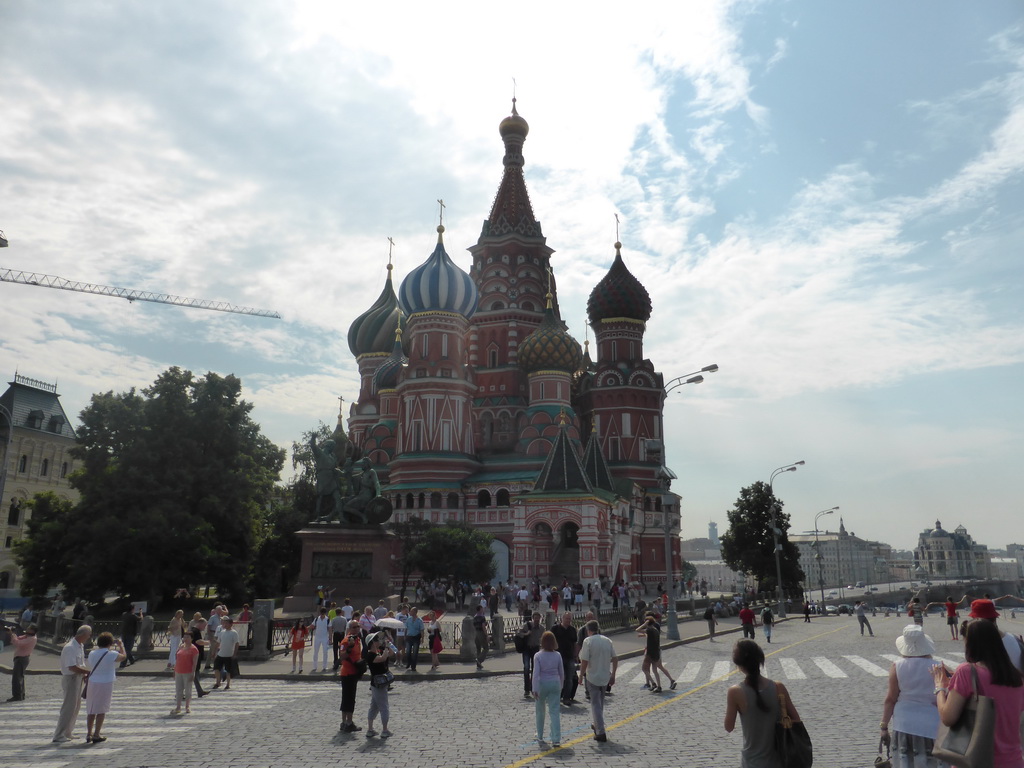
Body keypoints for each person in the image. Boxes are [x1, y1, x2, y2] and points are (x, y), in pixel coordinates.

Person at [933, 618, 1024, 768]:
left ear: (970, 643)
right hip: (1012, 761)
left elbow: (947, 717)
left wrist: (940, 688)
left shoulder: (966, 672)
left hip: (975, 761)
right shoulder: (1017, 678)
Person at [725, 639, 802, 767]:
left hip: (752, 761)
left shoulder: (735, 692)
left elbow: (729, 727)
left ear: (739, 665)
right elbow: (796, 720)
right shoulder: (778, 687)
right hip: (779, 760)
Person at [879, 625, 942, 767]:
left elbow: (891, 699)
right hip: (931, 724)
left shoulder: (897, 666)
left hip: (904, 724)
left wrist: (884, 726)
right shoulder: (938, 666)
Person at [84, 632, 127, 743]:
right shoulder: (111, 654)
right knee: (101, 710)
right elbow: (123, 657)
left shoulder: (92, 653)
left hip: (93, 682)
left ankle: (89, 733)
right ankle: (97, 734)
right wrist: (121, 646)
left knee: (91, 709)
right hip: (105, 683)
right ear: (110, 643)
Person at [579, 620, 617, 742]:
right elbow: (615, 658)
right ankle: (596, 724)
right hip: (605, 676)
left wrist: (581, 675)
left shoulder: (588, 641)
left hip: (593, 676)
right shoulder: (607, 640)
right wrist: (614, 674)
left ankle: (600, 732)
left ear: (588, 630)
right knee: (600, 703)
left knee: (595, 704)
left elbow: (584, 661)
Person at [53, 624, 92, 743]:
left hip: (78, 678)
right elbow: (72, 667)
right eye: (89, 635)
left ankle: (68, 732)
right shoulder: (70, 647)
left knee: (75, 706)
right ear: (84, 635)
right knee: (68, 707)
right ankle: (59, 734)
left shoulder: (80, 645)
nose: (89, 637)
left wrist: (84, 674)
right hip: (71, 679)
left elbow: (80, 663)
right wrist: (88, 672)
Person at [532, 630, 565, 747]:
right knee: (554, 711)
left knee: (540, 711)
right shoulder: (558, 655)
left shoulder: (538, 656)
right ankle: (556, 738)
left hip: (542, 684)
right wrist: (560, 685)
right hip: (555, 683)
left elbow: (536, 674)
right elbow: (561, 672)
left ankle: (540, 735)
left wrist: (534, 689)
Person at [363, 631, 395, 738]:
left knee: (374, 706)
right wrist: (385, 649)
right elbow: (382, 658)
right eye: (376, 640)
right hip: (378, 684)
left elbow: (391, 654)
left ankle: (370, 729)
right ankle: (385, 730)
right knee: (384, 706)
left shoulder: (378, 651)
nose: (378, 641)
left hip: (380, 683)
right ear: (372, 643)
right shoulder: (370, 655)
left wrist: (388, 645)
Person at [637, 613, 676, 692]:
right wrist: (644, 635)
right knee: (656, 669)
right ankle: (660, 685)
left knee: (645, 668)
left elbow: (637, 630)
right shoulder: (655, 629)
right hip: (657, 651)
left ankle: (652, 683)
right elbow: (652, 637)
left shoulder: (650, 629)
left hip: (650, 651)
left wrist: (644, 624)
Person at [338, 620, 364, 732]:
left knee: (350, 699)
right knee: (347, 699)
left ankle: (347, 722)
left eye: (358, 626)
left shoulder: (357, 639)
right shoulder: (346, 640)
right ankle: (346, 722)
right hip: (347, 673)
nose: (357, 629)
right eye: (354, 627)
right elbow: (342, 656)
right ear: (349, 629)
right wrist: (349, 648)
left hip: (354, 673)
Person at [551, 612, 578, 705]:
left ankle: (566, 698)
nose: (568, 621)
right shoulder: (555, 629)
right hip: (557, 657)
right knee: (558, 678)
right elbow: (550, 641)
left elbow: (575, 644)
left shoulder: (573, 630)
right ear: (562, 619)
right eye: (567, 619)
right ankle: (556, 696)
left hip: (569, 657)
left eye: (570, 619)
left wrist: (576, 655)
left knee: (569, 678)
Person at [171, 631, 200, 715]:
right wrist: (174, 670)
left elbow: (195, 663)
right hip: (179, 671)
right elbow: (177, 659)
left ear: (191, 639)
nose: (186, 639)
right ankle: (178, 707)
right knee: (178, 690)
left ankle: (187, 706)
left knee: (188, 690)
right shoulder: (180, 647)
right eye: (185, 637)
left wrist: (192, 673)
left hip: (188, 672)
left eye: (188, 637)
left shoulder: (194, 649)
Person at [518, 611, 544, 698]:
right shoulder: (527, 625)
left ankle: (533, 688)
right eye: (535, 618)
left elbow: (543, 639)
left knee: (535, 670)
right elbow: (519, 633)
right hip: (527, 649)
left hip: (536, 650)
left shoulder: (541, 628)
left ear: (540, 619)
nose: (537, 620)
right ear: (533, 618)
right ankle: (526, 689)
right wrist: (526, 634)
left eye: (538, 618)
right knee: (526, 668)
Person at [8, 624, 37, 702]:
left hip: (22, 659)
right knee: (20, 677)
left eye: (29, 629)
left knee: (16, 678)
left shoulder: (31, 638)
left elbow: (18, 643)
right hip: (21, 658)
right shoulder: (28, 636)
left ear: (32, 631)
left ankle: (17, 696)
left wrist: (12, 634)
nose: (27, 630)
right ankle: (21, 695)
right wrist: (13, 633)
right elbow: (19, 638)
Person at [212, 616, 240, 690]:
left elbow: (237, 644)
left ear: (231, 624)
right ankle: (218, 682)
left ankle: (228, 684)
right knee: (216, 668)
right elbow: (218, 642)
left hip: (229, 654)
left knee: (228, 670)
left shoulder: (234, 633)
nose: (225, 625)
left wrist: (234, 654)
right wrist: (214, 652)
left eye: (227, 623)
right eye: (224, 623)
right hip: (221, 654)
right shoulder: (222, 632)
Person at [310, 607, 331, 673]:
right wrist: (305, 629)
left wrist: (330, 638)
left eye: (323, 613)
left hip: (325, 637)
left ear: (325, 613)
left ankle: (324, 666)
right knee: (316, 652)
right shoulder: (316, 619)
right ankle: (314, 666)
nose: (322, 614)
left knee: (325, 652)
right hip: (317, 637)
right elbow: (312, 626)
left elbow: (330, 629)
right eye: (321, 613)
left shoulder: (327, 620)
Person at [404, 607, 425, 672]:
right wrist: (405, 636)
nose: (410, 612)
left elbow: (422, 630)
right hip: (409, 637)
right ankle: (409, 662)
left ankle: (413, 666)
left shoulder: (419, 620)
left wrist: (422, 638)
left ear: (415, 612)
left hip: (416, 637)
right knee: (408, 652)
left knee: (415, 653)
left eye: (411, 611)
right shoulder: (408, 619)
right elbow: (406, 628)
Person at [473, 605, 489, 670]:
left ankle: (478, 664)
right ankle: (479, 660)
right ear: (480, 609)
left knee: (478, 648)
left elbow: (474, 625)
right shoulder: (482, 617)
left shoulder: (475, 617)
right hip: (481, 633)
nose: (483, 610)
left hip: (476, 633)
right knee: (486, 648)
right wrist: (487, 635)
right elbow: (483, 626)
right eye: (482, 608)